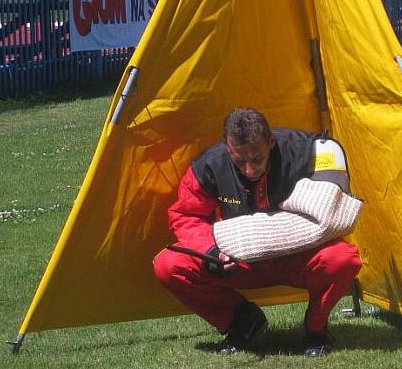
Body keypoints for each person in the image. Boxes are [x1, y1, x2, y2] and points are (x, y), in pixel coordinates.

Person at [153, 107, 362, 357]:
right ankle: (243, 321)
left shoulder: (307, 151)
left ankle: (315, 329)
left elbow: (332, 209)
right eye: (240, 161)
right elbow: (187, 216)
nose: (249, 169)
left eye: (257, 159)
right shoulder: (209, 164)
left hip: (298, 256)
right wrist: (212, 253)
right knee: (169, 265)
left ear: (271, 142)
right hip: (239, 262)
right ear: (227, 148)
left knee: (343, 259)